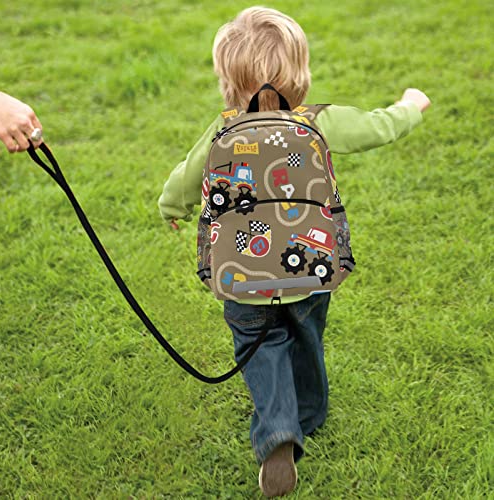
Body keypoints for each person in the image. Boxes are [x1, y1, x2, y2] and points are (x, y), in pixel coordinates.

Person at [158, 7, 430, 497]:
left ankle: (278, 431)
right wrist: (411, 104)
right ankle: (309, 414)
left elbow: (186, 177)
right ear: (300, 73)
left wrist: (170, 206)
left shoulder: (222, 129)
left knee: (259, 348)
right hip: (311, 267)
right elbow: (378, 127)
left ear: (227, 82)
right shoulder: (320, 122)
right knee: (306, 335)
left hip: (241, 275)